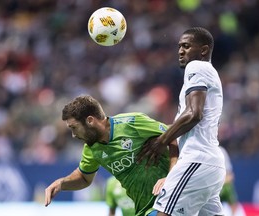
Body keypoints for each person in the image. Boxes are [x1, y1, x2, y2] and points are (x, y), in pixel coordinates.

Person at [137, 27, 226, 215]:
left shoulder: (197, 66)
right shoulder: (209, 72)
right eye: (179, 46)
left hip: (196, 161)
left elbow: (194, 114)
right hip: (211, 166)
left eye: (186, 46)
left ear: (203, 50)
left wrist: (160, 141)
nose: (180, 51)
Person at [44, 95, 178, 216]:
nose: (73, 135)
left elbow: (174, 135)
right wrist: (61, 183)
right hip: (144, 208)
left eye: (74, 127)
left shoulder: (131, 123)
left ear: (90, 120)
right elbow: (84, 178)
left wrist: (171, 177)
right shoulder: (91, 148)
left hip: (170, 197)